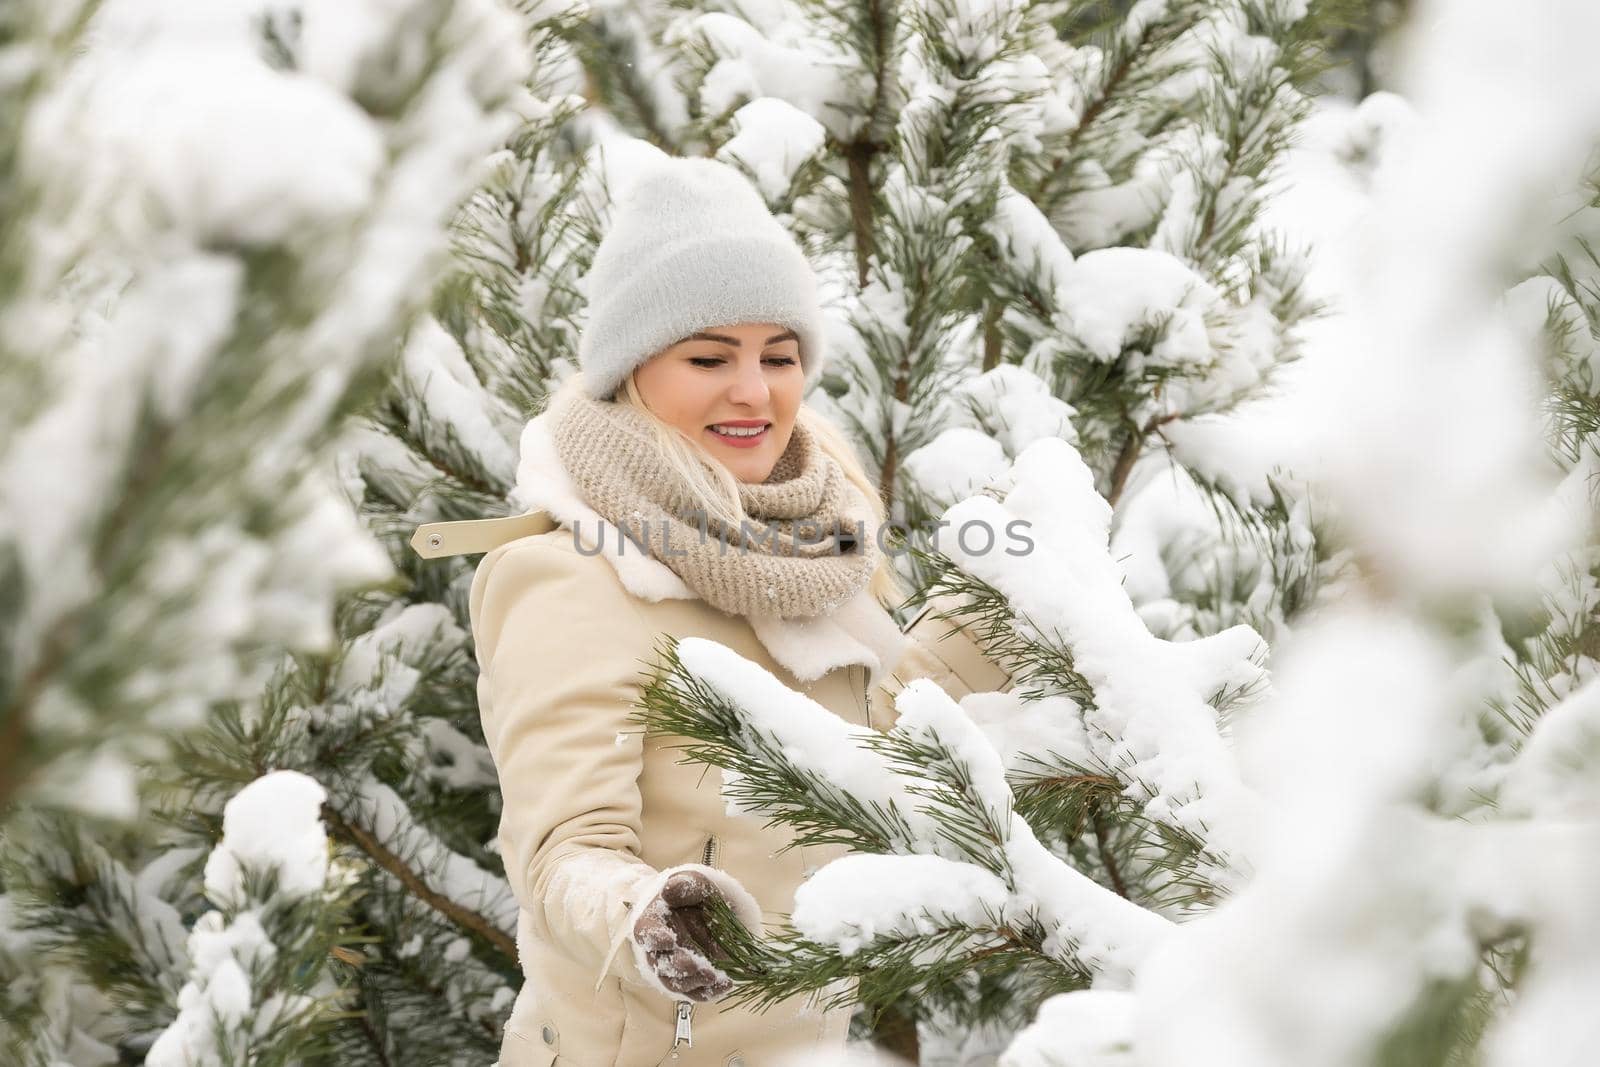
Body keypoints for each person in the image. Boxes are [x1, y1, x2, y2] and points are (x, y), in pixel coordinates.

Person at [420, 157, 1011, 1067]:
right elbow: (563, 851)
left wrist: (998, 610)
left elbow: (857, 762)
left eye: (778, 356)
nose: (754, 390)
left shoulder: (805, 547)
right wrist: (650, 913)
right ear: (633, 370)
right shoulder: (570, 574)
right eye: (709, 357)